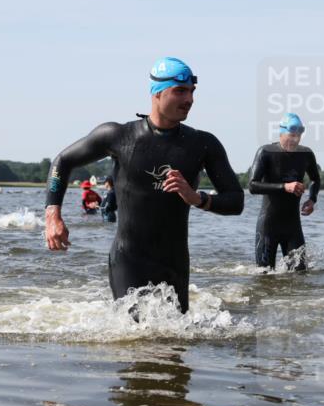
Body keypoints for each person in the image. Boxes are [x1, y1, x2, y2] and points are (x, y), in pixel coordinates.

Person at [44, 57, 244, 313]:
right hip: (129, 260)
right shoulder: (118, 136)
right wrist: (53, 215)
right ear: (157, 93)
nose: (189, 99)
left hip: (175, 264)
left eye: (192, 92)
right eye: (180, 91)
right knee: (133, 340)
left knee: (175, 346)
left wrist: (197, 198)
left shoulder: (202, 144)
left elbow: (236, 201)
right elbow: (62, 161)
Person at [248, 113, 320, 270]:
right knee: (264, 274)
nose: (295, 139)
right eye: (291, 135)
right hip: (268, 226)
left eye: (298, 136)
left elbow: (315, 179)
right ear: (281, 133)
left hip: (292, 226)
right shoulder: (266, 152)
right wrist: (284, 187)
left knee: (300, 274)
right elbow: (252, 186)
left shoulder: (306, 154)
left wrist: (312, 199)